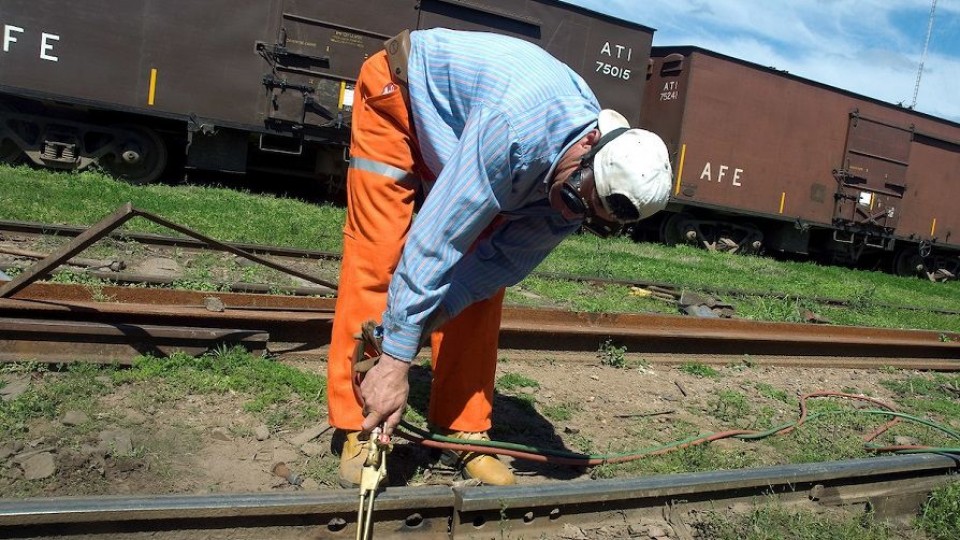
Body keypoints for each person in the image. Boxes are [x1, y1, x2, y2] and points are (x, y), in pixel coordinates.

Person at [327, 28, 672, 487]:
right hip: (402, 98)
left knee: (479, 294)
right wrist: (395, 359)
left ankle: (460, 430)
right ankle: (362, 423)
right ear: (590, 144)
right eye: (574, 196)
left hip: (466, 135)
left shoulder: (580, 193)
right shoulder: (515, 128)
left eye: (586, 215)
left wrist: (429, 318)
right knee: (380, 257)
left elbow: (490, 267)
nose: (569, 212)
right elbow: (436, 241)